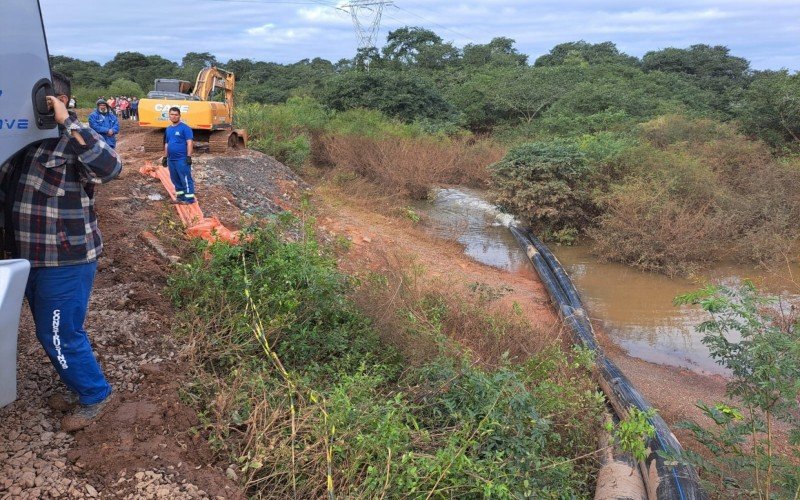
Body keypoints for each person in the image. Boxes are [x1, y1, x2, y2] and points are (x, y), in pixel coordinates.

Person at [0, 71, 121, 432]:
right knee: (46, 331)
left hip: (65, 259)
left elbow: (111, 167)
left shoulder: (74, 139)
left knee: (59, 333)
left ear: (56, 100)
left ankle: (96, 396)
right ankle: (78, 385)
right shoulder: (17, 142)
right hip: (26, 258)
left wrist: (67, 122)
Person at [161, 107, 195, 204]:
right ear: (169, 115)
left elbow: (189, 142)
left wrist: (188, 156)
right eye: (172, 114)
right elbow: (167, 143)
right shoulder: (168, 129)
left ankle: (189, 199)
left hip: (182, 159)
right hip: (171, 159)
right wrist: (165, 157)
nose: (174, 116)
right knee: (175, 178)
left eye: (176, 114)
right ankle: (180, 197)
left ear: (179, 116)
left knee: (185, 178)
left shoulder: (185, 128)